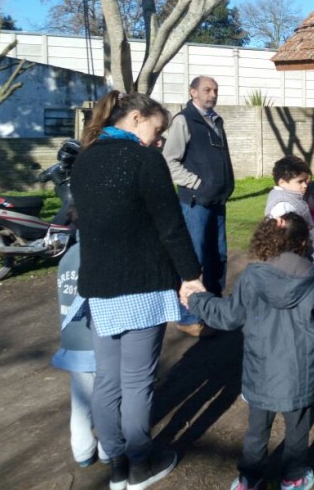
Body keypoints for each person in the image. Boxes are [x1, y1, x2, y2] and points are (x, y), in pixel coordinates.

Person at [73, 91, 203, 490]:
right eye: (157, 129)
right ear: (135, 118)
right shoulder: (144, 160)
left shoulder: (83, 159)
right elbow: (170, 224)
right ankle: (140, 465)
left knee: (108, 380)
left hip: (98, 287)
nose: (159, 139)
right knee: (136, 382)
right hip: (142, 284)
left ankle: (115, 467)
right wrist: (191, 275)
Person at [182, 213, 314, 490]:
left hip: (260, 371)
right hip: (300, 373)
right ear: (303, 242)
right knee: (298, 430)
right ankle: (294, 477)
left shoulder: (252, 277)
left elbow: (227, 316)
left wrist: (196, 300)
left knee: (256, 431)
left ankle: (249, 479)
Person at [162, 76, 234, 338]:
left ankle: (212, 309)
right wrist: (196, 183)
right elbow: (169, 161)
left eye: (215, 89)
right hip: (195, 203)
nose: (212, 94)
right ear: (192, 92)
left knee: (219, 256)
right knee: (195, 258)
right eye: (207, 90)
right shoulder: (184, 120)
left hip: (217, 201)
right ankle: (188, 316)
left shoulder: (216, 120)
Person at [51, 227, 109, 468]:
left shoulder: (68, 256)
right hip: (99, 342)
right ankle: (109, 450)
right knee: (109, 397)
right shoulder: (103, 254)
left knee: (81, 401)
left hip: (73, 343)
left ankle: (82, 450)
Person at [265, 155, 314, 272]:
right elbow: (284, 241)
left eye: (306, 181)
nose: (305, 185)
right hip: (297, 264)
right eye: (300, 181)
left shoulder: (293, 197)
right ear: (282, 182)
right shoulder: (283, 206)